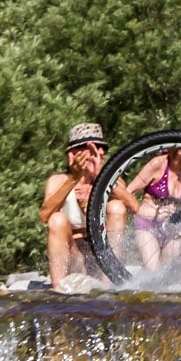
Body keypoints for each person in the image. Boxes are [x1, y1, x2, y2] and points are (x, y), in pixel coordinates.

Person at [40, 123, 129, 289]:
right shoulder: (58, 181)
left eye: (100, 151)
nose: (97, 156)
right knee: (57, 219)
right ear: (72, 155)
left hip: (104, 256)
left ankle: (110, 287)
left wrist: (101, 176)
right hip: (75, 258)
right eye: (92, 151)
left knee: (116, 207)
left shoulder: (112, 181)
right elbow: (44, 216)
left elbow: (136, 208)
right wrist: (73, 179)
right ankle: (59, 289)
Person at [124, 145, 181, 272]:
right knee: (152, 271)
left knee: (168, 274)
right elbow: (129, 191)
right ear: (174, 150)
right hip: (147, 225)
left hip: (173, 227)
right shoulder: (158, 164)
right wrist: (133, 210)